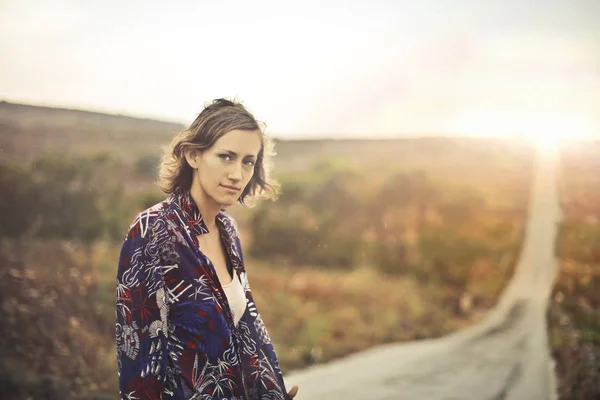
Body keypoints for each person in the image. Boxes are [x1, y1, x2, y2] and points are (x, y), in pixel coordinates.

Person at [115, 99, 299, 399]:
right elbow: (137, 357)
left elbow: (244, 332)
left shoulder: (228, 231)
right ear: (193, 155)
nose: (237, 174)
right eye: (226, 157)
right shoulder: (153, 230)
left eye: (248, 161)